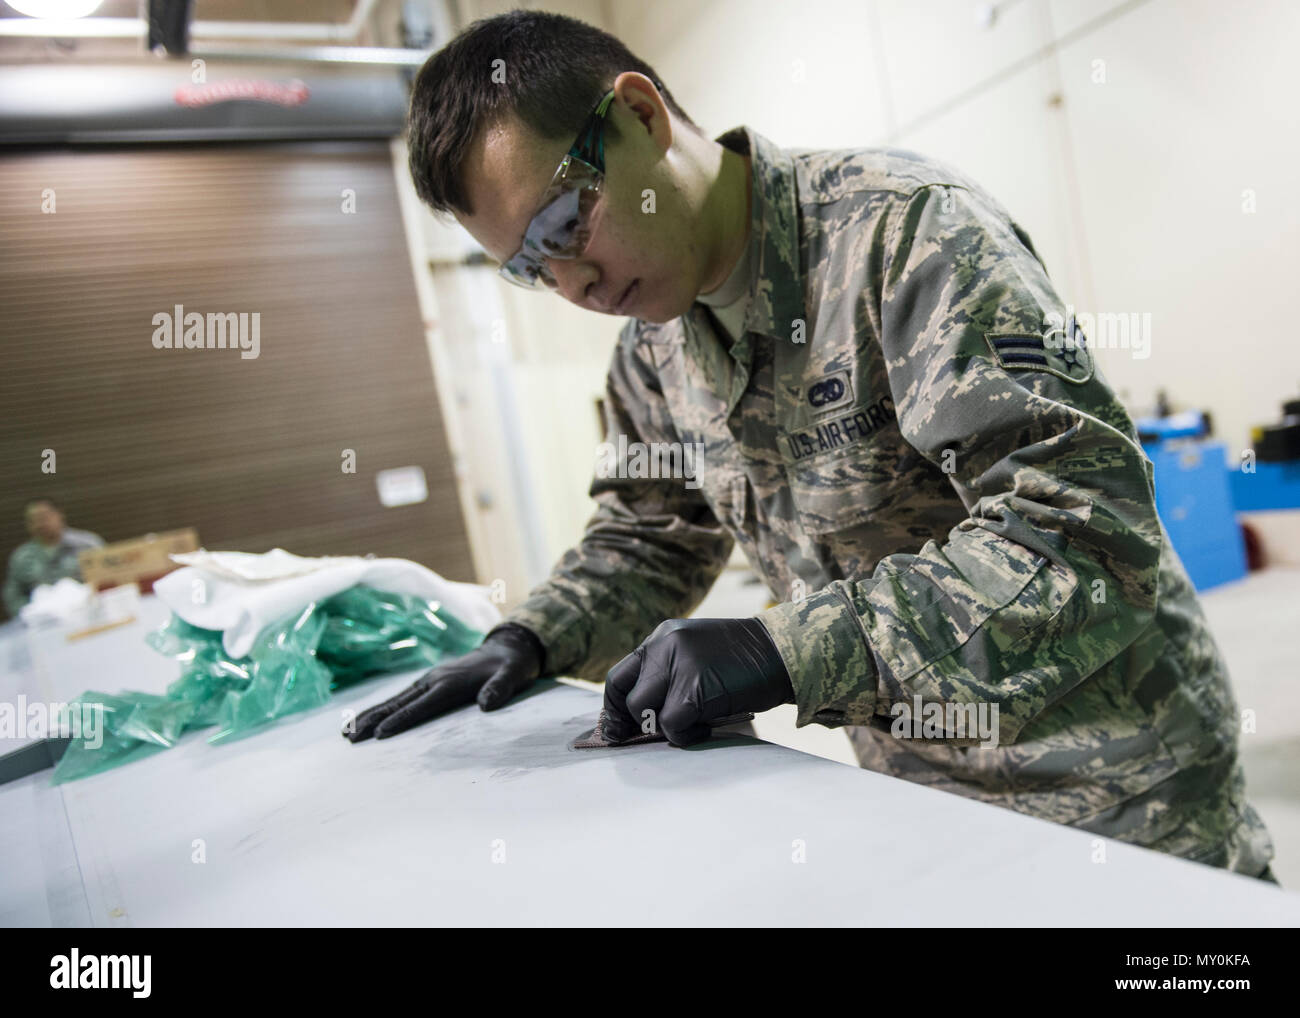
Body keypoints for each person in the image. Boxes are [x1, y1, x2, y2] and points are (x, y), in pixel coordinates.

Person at [347, 10, 1277, 882]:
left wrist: (788, 649)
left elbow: (1086, 534)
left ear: (639, 115)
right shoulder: (653, 354)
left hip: (1126, 804)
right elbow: (647, 538)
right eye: (525, 267)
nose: (571, 282)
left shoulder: (905, 239)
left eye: (561, 223)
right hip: (921, 807)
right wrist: (535, 633)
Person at [3, 498, 103, 618]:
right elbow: (13, 595)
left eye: (44, 517)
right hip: (43, 623)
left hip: (89, 614)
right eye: (33, 520)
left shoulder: (88, 544)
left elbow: (108, 577)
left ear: (59, 515)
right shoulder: (21, 557)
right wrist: (29, 614)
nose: (40, 524)